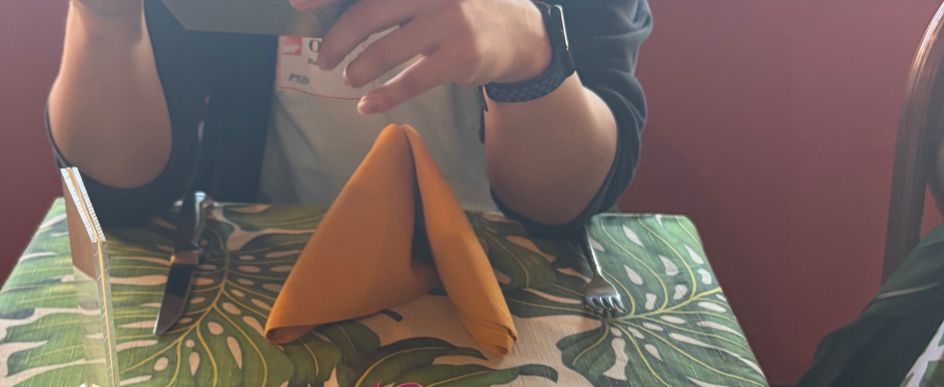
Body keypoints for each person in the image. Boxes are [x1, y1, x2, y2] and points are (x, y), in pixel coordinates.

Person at [47, 0, 651, 231]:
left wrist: (531, 53)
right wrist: (103, 18)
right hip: (267, 269)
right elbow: (118, 195)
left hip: (506, 270)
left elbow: (565, 203)